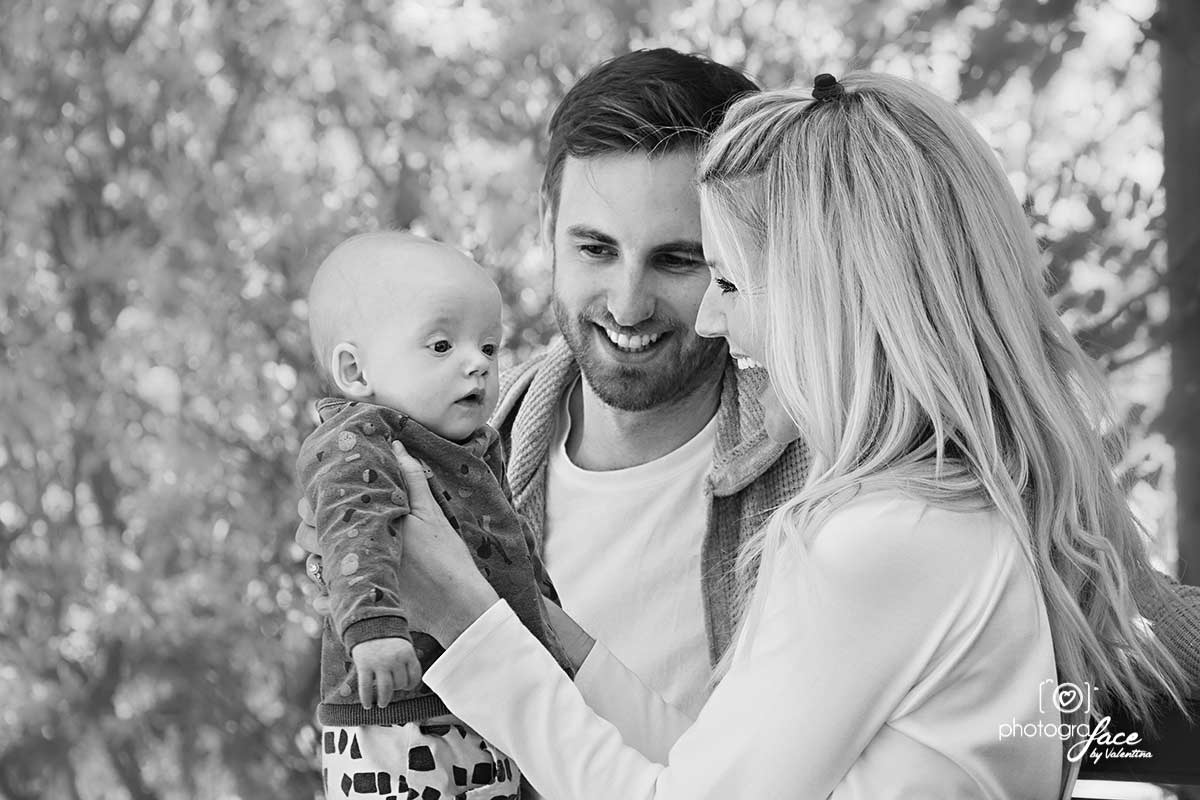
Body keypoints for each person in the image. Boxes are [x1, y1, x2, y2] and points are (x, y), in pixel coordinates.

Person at [347, 73, 1196, 799]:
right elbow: (707, 763)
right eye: (596, 247)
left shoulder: (877, 538)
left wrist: (466, 619)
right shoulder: (918, 507)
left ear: (825, 301)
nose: (713, 319)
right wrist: (520, 615)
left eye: (720, 278)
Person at [296, 233, 570, 800]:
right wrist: (373, 631)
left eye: (490, 348)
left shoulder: (469, 448)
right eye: (442, 345)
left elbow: (514, 557)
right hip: (398, 712)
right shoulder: (361, 441)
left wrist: (552, 650)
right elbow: (355, 530)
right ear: (355, 370)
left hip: (480, 699)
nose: (478, 364)